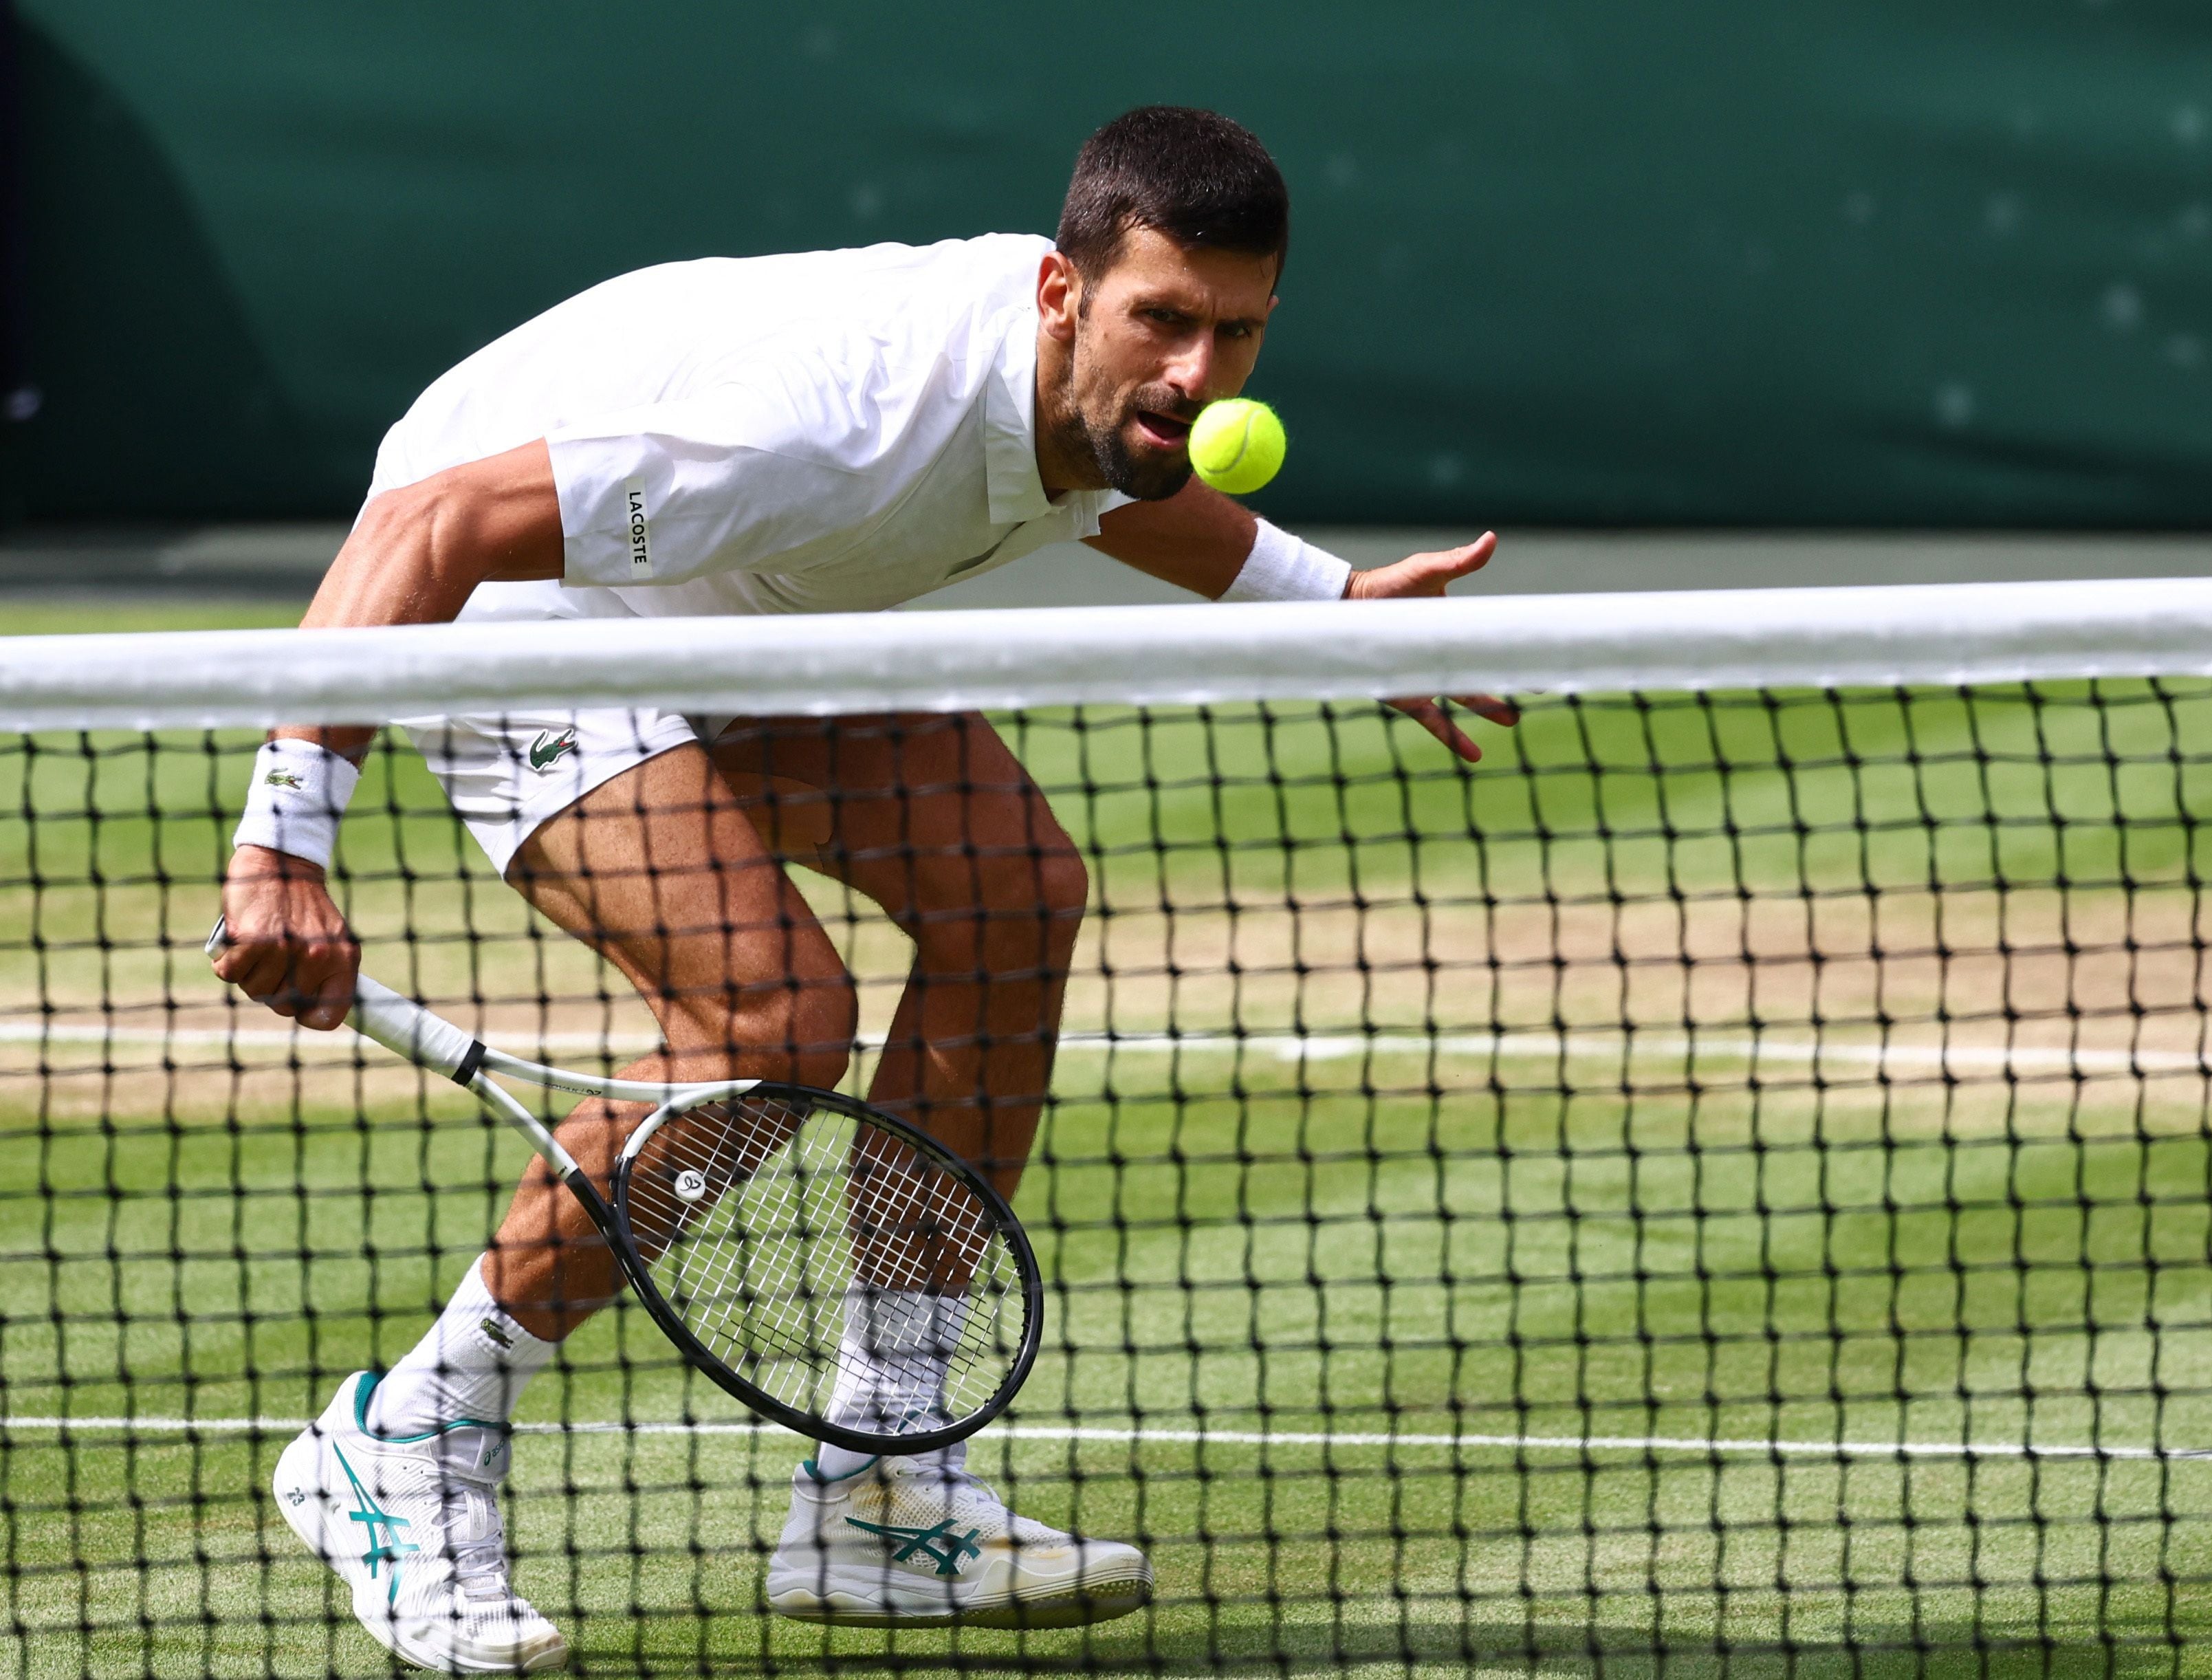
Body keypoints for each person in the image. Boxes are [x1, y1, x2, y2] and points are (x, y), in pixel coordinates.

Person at [213, 105, 1511, 1674]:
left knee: (1013, 893)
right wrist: (282, 840)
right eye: (1162, 321)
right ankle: (407, 1434)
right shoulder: (833, 425)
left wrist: (1333, 606)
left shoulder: (1108, 397)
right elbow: (432, 525)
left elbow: (1131, 479)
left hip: (739, 588)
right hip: (509, 587)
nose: (1198, 373)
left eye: (1236, 331)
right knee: (770, 1011)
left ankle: (884, 1485)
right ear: (1061, 294)